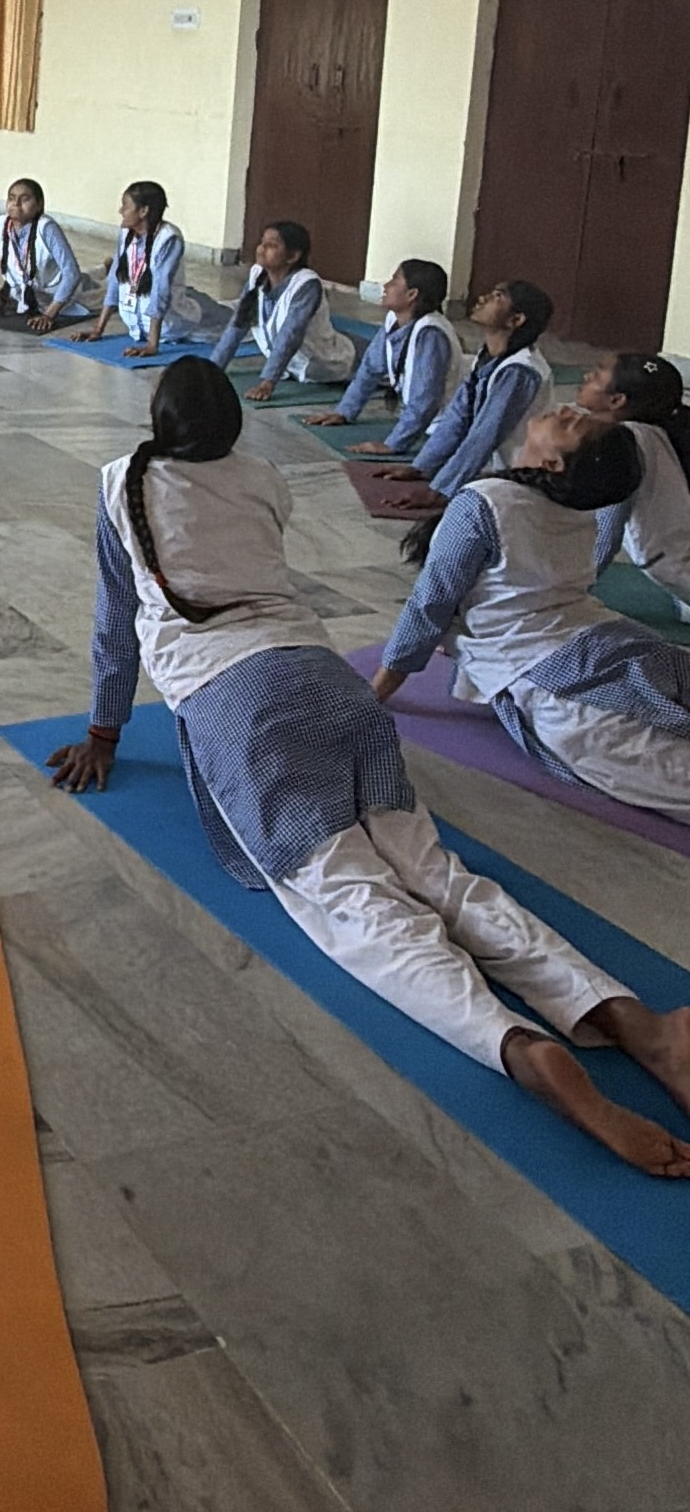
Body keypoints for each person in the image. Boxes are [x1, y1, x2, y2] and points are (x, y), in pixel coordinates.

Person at [48, 363, 690, 1176]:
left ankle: (513, 1043)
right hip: (327, 682)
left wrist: (105, 731)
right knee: (436, 870)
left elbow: (116, 626)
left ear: (155, 417)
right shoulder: (264, 477)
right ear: (235, 426)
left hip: (241, 704)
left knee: (347, 892)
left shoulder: (119, 483)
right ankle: (630, 1018)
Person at [376, 410, 690, 823]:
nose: (568, 409)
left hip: (544, 663)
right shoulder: (574, 497)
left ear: (554, 463)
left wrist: (379, 688)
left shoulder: (484, 503)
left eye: (574, 423)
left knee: (646, 761)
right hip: (607, 638)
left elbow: (430, 604)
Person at [359, 279, 555, 516]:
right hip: (502, 465)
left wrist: (440, 491)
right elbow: (458, 416)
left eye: (497, 297)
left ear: (516, 320)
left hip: (527, 474)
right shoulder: (488, 356)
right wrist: (422, 467)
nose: (483, 298)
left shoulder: (520, 371)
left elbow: (484, 435)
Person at [304, 259, 462, 454]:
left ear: (412, 295)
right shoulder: (393, 319)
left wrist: (394, 444)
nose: (386, 286)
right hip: (422, 423)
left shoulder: (430, 335)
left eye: (394, 281)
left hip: (442, 426)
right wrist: (344, 411)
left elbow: (425, 399)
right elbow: (370, 369)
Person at [576, 352, 690, 615]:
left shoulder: (625, 441)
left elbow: (607, 532)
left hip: (675, 562)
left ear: (617, 400)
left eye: (597, 372)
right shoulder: (655, 430)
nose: (586, 377)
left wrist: (571, 592)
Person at [211, 219, 356, 402]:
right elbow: (238, 324)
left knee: (382, 369)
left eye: (272, 246)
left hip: (328, 363)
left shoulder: (305, 284)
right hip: (295, 366)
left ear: (293, 256)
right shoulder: (257, 275)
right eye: (262, 243)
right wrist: (214, 368)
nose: (261, 249)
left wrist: (268, 382)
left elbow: (290, 334)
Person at [80, 181, 226, 361]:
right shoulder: (126, 234)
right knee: (204, 300)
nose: (121, 211)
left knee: (230, 316)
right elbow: (115, 281)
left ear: (143, 211)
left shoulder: (169, 238)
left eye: (125, 205)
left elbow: (161, 289)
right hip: (137, 325)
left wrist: (152, 344)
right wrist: (98, 329)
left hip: (169, 324)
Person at [0, 179, 83, 332]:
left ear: (39, 205)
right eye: (11, 198)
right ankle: (103, 267)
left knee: (95, 291)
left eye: (25, 199)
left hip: (58, 293)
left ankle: (104, 267)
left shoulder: (47, 229)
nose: (16, 203)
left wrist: (49, 315)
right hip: (30, 294)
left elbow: (72, 273)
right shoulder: (1, 225)